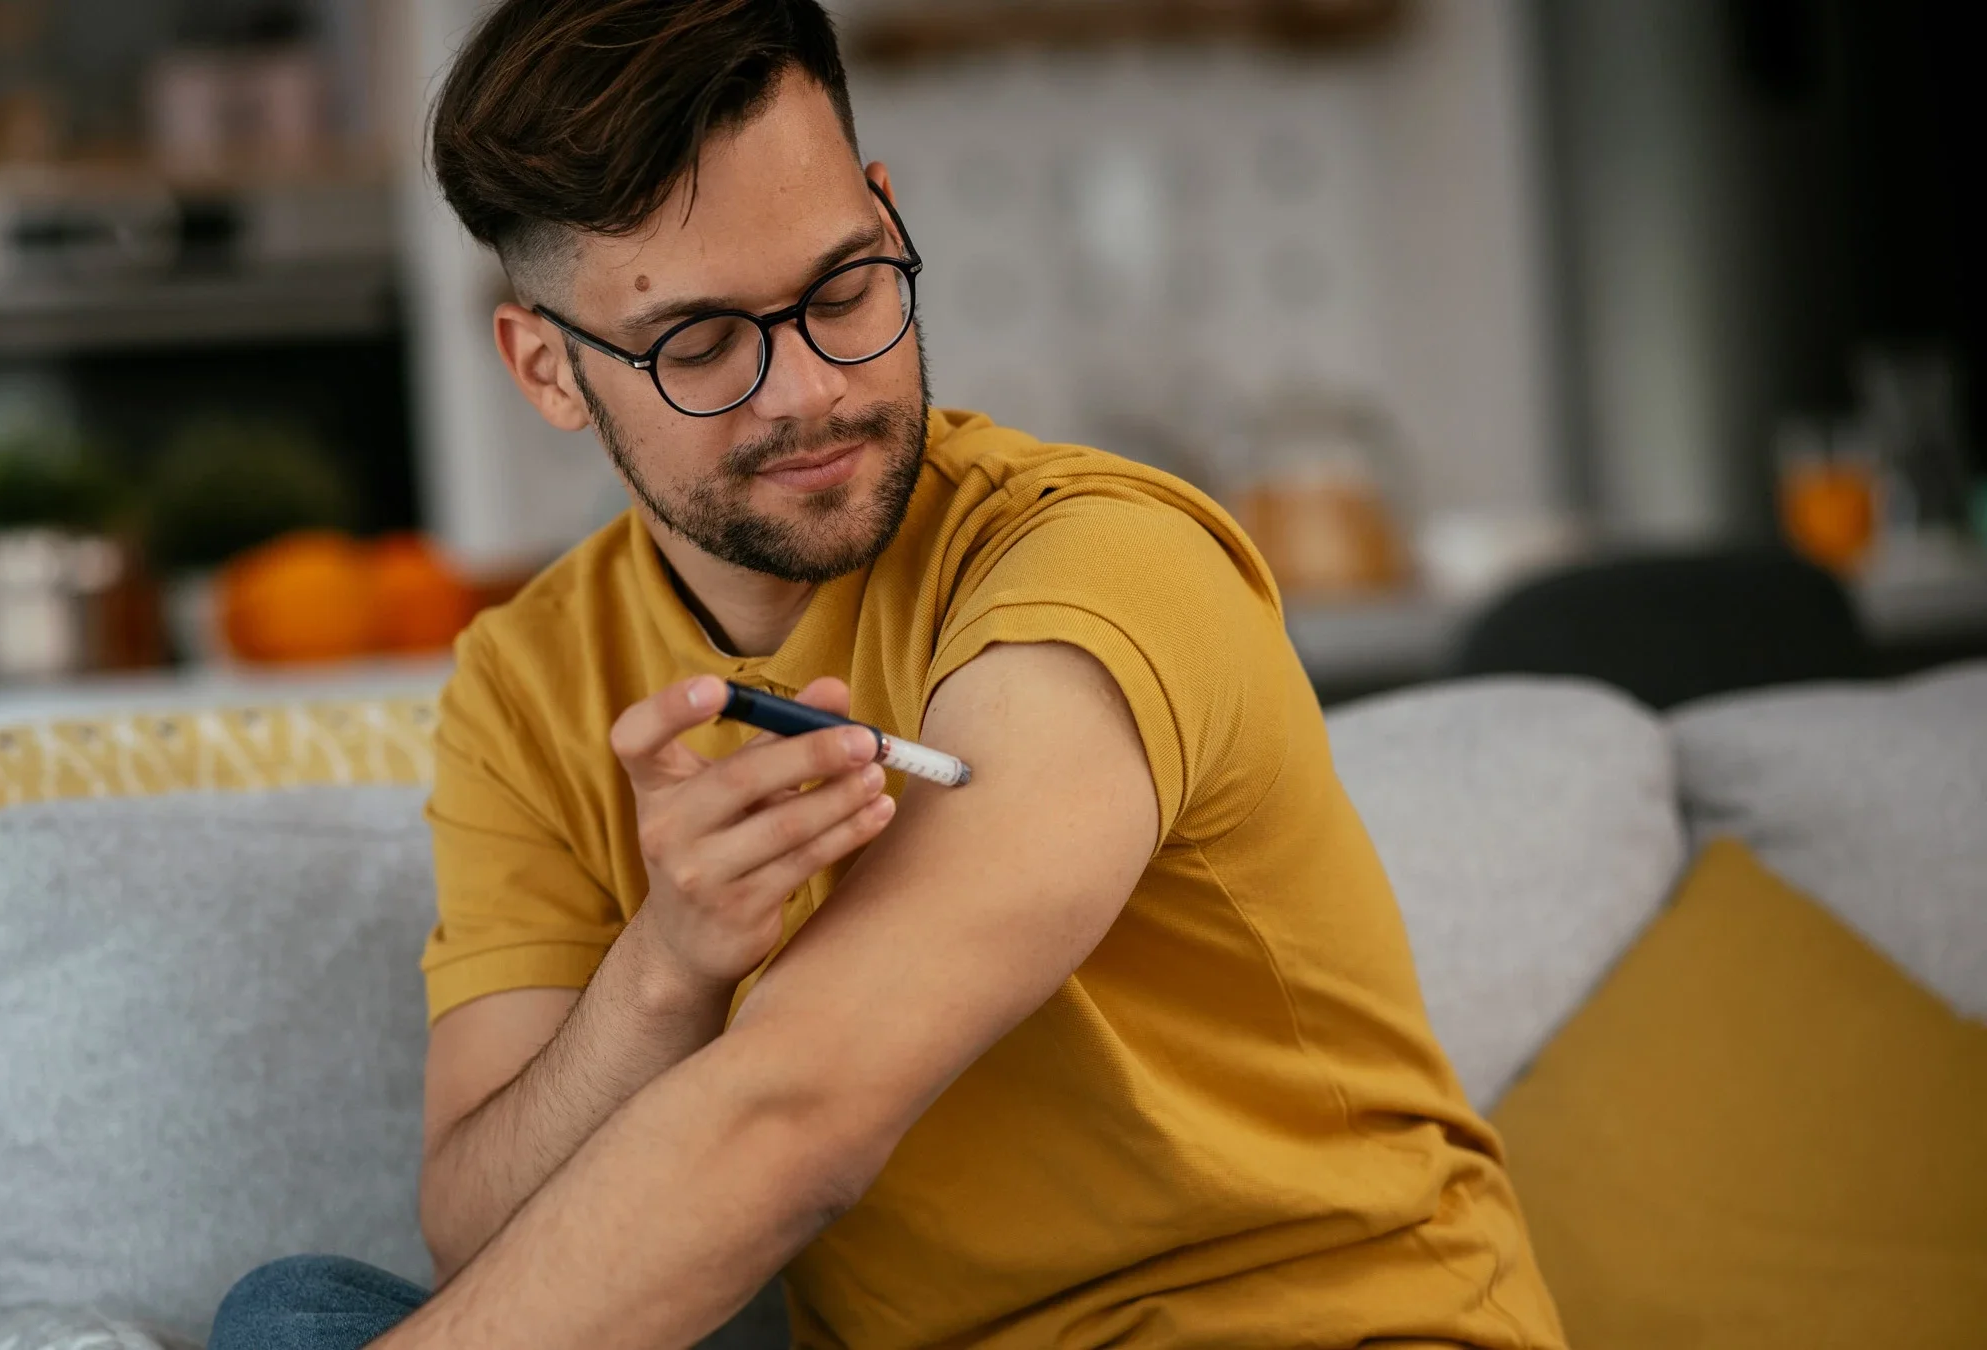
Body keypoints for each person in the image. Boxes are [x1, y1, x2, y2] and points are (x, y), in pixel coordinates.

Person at [211, 0, 1567, 1346]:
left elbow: (801, 1114)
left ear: (889, 217)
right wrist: (665, 970)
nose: (806, 390)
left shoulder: (1103, 561)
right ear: (550, 369)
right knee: (295, 1312)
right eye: (701, 345)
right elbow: (477, 1229)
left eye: (845, 289)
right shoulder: (529, 679)